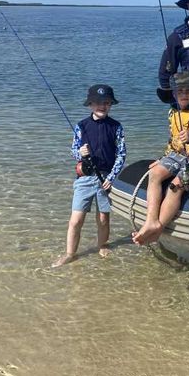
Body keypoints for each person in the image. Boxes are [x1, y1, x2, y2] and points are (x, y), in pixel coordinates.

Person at [132, 72, 189, 246]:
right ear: (174, 94)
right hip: (176, 156)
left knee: (175, 185)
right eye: (179, 91)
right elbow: (172, 141)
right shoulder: (173, 112)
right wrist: (163, 158)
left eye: (188, 91)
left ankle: (158, 228)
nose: (183, 94)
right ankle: (151, 220)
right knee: (154, 174)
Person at [52, 84, 126, 268]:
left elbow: (121, 154)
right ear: (90, 104)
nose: (103, 106)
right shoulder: (81, 126)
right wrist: (80, 153)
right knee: (76, 220)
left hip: (106, 179)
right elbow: (73, 151)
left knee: (103, 218)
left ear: (111, 105)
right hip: (84, 179)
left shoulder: (116, 127)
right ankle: (70, 253)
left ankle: (102, 245)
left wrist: (112, 177)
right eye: (99, 103)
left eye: (107, 103)